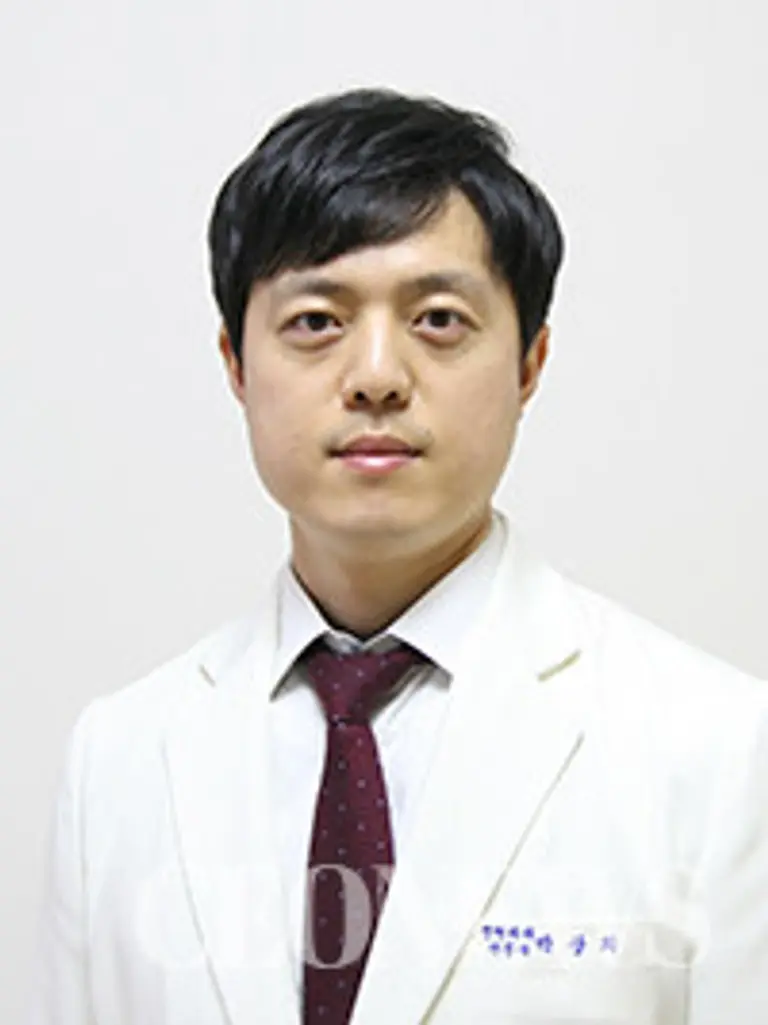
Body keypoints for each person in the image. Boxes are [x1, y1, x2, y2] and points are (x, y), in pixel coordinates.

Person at [26, 87, 768, 1025]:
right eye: (316, 321)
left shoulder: (720, 748)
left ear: (530, 363)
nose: (377, 376)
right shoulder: (117, 761)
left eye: (439, 320)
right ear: (236, 363)